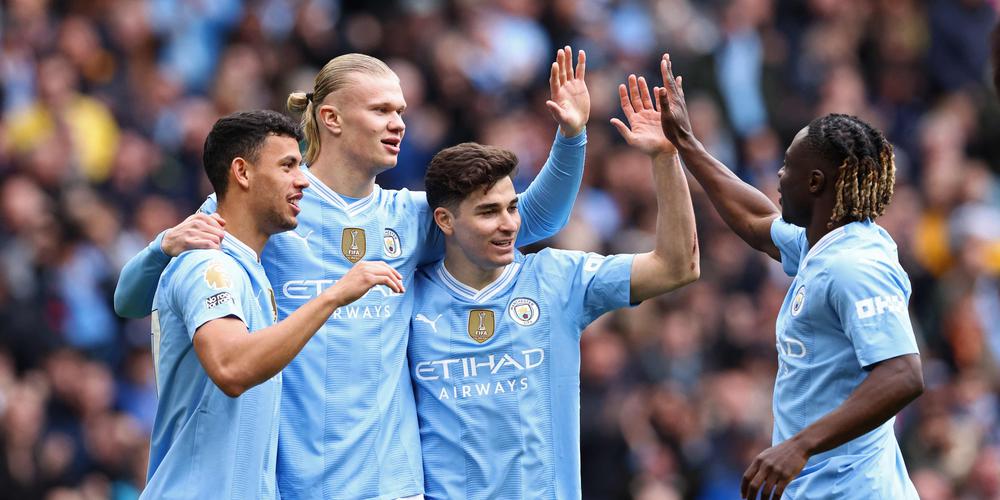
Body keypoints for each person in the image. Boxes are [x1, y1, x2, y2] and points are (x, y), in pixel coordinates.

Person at [115, 48, 591, 499]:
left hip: (393, 483)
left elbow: (531, 220)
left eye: (401, 112)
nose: (398, 123)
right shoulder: (271, 207)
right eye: (382, 110)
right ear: (332, 118)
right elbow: (133, 300)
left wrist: (571, 138)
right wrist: (162, 247)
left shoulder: (411, 217)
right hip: (294, 483)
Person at [408, 72, 699, 499]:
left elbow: (676, 267)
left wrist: (665, 158)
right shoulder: (405, 299)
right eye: (488, 212)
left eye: (512, 207)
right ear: (445, 221)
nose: (509, 224)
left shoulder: (557, 279)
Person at [655, 54, 924, 499]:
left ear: (815, 182)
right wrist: (686, 142)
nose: (778, 175)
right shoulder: (820, 245)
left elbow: (903, 374)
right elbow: (754, 220)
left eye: (787, 166)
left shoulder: (854, 266)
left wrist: (799, 445)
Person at [143, 110, 403, 499]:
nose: (303, 180)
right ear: (242, 173)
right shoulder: (209, 266)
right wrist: (333, 297)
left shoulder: (251, 271)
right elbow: (231, 367)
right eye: (288, 166)